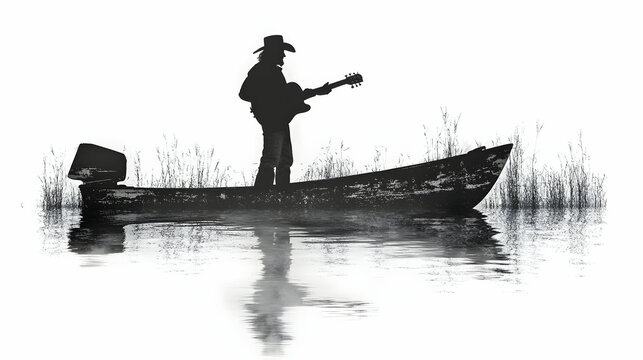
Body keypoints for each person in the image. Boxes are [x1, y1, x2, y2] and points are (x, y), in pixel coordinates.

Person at [239, 35, 331, 188]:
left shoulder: (275, 72)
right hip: (272, 120)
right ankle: (261, 196)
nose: (283, 55)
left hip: (280, 119)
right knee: (271, 159)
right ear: (273, 52)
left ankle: (283, 194)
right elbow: (244, 93)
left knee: (285, 160)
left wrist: (315, 92)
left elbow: (283, 98)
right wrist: (263, 102)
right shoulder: (260, 70)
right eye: (281, 51)